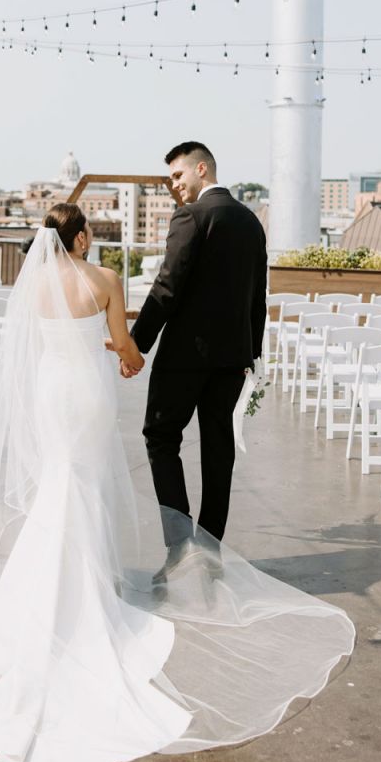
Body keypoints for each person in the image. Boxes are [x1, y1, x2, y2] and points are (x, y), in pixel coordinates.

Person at [0, 202, 354, 762]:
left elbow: (27, 353)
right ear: (78, 239)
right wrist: (130, 361)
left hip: (53, 393)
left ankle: (46, 593)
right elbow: (124, 347)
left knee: (59, 483)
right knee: (86, 486)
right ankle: (90, 587)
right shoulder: (103, 279)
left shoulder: (32, 287)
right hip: (90, 394)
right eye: (88, 236)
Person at [125, 142, 266, 574]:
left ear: (200, 169)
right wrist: (252, 355)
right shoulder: (250, 222)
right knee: (219, 450)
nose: (174, 186)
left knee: (160, 436)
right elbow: (257, 298)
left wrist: (136, 344)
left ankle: (181, 545)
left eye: (177, 176)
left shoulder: (192, 216)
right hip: (232, 359)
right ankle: (209, 549)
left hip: (186, 357)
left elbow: (167, 286)